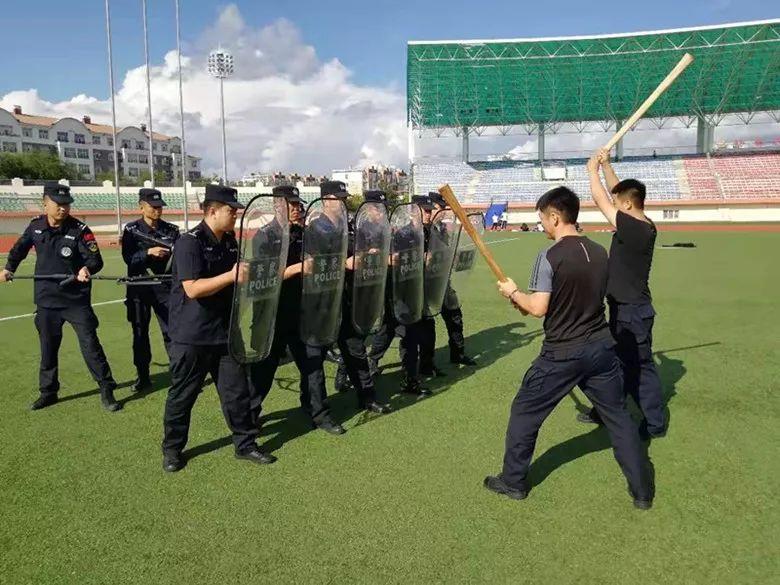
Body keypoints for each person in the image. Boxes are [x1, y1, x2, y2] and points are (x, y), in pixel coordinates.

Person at [483, 186, 654, 509]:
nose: (542, 226)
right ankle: (642, 490)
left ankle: (513, 480)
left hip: (562, 353)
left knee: (524, 413)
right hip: (602, 348)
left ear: (555, 216)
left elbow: (538, 307)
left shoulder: (549, 256)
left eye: (542, 220)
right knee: (618, 418)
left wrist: (512, 292)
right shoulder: (600, 251)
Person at [162, 184, 275, 472]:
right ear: (212, 211)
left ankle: (245, 444)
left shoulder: (229, 241)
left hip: (224, 332)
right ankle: (173, 449)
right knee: (183, 394)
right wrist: (231, 275)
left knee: (236, 392)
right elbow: (193, 289)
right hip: (193, 336)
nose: (235, 214)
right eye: (230, 210)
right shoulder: (190, 242)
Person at [0, 182, 120, 411]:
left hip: (75, 300)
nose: (64, 209)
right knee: (48, 348)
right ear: (45, 203)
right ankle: (48, 391)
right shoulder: (35, 226)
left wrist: (87, 269)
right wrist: (9, 268)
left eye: (67, 205)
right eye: (59, 204)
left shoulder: (80, 230)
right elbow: (19, 249)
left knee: (90, 346)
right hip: (46, 300)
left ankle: (106, 388)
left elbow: (95, 260)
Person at [576, 150, 666, 438]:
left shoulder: (636, 228)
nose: (614, 206)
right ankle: (605, 410)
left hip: (632, 312)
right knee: (614, 363)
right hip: (624, 308)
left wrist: (591, 171)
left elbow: (603, 199)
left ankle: (654, 424)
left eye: (619, 203)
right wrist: (606, 164)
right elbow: (616, 194)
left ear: (628, 204)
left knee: (639, 368)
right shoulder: (641, 221)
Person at [248, 182, 349, 435]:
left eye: (297, 204)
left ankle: (319, 413)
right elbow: (261, 276)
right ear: (276, 206)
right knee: (264, 371)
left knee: (312, 367)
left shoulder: (304, 233)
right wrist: (297, 269)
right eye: (291, 205)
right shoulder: (266, 235)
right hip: (273, 314)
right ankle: (249, 416)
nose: (296, 209)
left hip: (303, 312)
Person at [333, 190, 392, 414]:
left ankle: (366, 397)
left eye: (344, 199)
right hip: (321, 302)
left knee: (356, 345)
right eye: (338, 199)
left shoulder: (355, 227)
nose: (342, 203)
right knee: (311, 361)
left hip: (352, 295)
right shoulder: (316, 229)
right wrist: (346, 262)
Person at [368, 195, 431, 397]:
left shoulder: (423, 232)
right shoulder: (402, 234)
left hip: (411, 290)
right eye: (425, 211)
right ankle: (407, 377)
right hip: (395, 291)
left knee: (394, 330)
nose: (429, 214)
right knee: (399, 331)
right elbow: (387, 260)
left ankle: (406, 375)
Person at [121, 188, 180, 392]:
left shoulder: (171, 230)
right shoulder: (131, 230)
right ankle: (143, 377)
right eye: (153, 207)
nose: (158, 210)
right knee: (140, 333)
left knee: (172, 332)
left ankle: (179, 376)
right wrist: (148, 252)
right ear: (141, 206)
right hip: (139, 287)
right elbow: (129, 258)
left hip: (165, 287)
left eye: (160, 207)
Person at [428, 191, 477, 367]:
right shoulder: (422, 230)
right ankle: (372, 362)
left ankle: (458, 353)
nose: (440, 212)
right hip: (426, 284)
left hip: (443, 280)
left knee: (454, 316)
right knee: (419, 327)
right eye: (437, 208)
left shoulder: (441, 229)